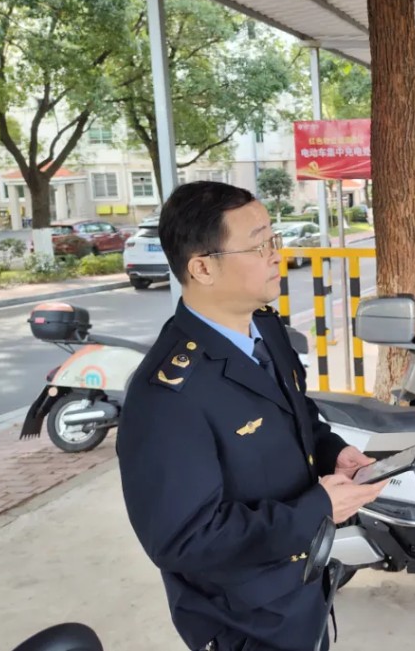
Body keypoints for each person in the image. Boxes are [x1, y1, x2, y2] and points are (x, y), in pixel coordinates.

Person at [116, 181, 386, 651]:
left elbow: (297, 415)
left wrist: (332, 452)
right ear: (202, 267)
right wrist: (317, 509)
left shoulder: (263, 326)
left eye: (274, 240)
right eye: (259, 245)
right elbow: (183, 540)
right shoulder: (167, 396)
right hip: (244, 620)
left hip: (303, 586)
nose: (276, 255)